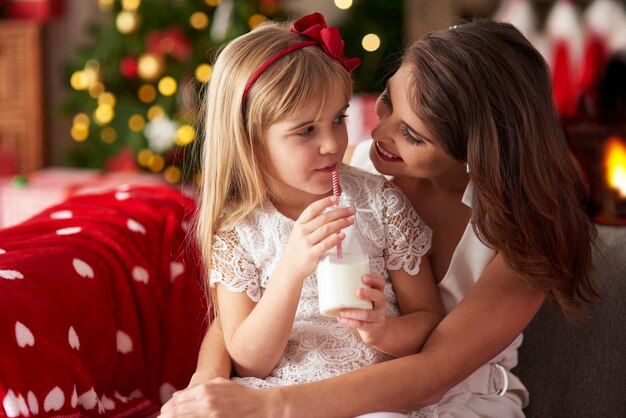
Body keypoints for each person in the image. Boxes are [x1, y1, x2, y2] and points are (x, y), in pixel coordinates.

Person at [160, 19, 598, 418]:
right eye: (387, 102)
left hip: (433, 398)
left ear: (476, 152)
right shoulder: (353, 171)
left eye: (412, 134)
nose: (377, 133)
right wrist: (209, 381)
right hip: (307, 389)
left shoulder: (525, 247)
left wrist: (265, 406)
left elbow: (428, 376)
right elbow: (251, 291)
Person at [177, 12, 444, 418]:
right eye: (305, 131)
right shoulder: (240, 230)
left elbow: (428, 319)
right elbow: (250, 362)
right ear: (250, 140)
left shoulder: (379, 202)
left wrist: (384, 330)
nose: (332, 144)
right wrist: (290, 269)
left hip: (369, 398)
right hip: (273, 399)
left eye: (338, 119)